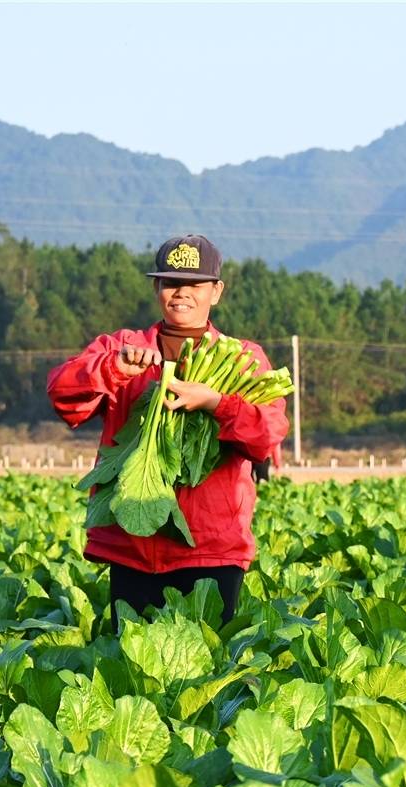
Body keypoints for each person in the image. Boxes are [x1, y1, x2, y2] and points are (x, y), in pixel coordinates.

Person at [48, 234, 288, 629]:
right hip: (133, 548)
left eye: (195, 284)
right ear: (156, 287)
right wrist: (114, 368)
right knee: (132, 661)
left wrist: (216, 402)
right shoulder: (122, 347)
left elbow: (267, 434)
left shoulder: (242, 359)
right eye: (171, 282)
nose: (182, 293)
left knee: (209, 659)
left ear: (216, 291)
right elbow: (62, 394)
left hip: (211, 548)